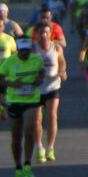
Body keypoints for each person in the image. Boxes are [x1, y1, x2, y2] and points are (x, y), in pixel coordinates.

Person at [0, 37, 44, 177]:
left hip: (32, 101)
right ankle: (18, 167)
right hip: (14, 101)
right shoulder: (9, 61)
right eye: (21, 52)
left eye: (26, 52)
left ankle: (28, 163)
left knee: (29, 130)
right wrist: (11, 83)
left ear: (30, 51)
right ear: (17, 51)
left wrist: (38, 80)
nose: (24, 55)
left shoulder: (37, 59)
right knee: (16, 136)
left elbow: (41, 74)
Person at [30, 21, 67, 162]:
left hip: (53, 84)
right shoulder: (32, 48)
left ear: (50, 33)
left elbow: (62, 62)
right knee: (36, 119)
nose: (44, 35)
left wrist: (62, 71)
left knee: (52, 115)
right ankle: (39, 147)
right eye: (41, 32)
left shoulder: (56, 47)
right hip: (37, 87)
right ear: (36, 34)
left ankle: (50, 148)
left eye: (46, 32)